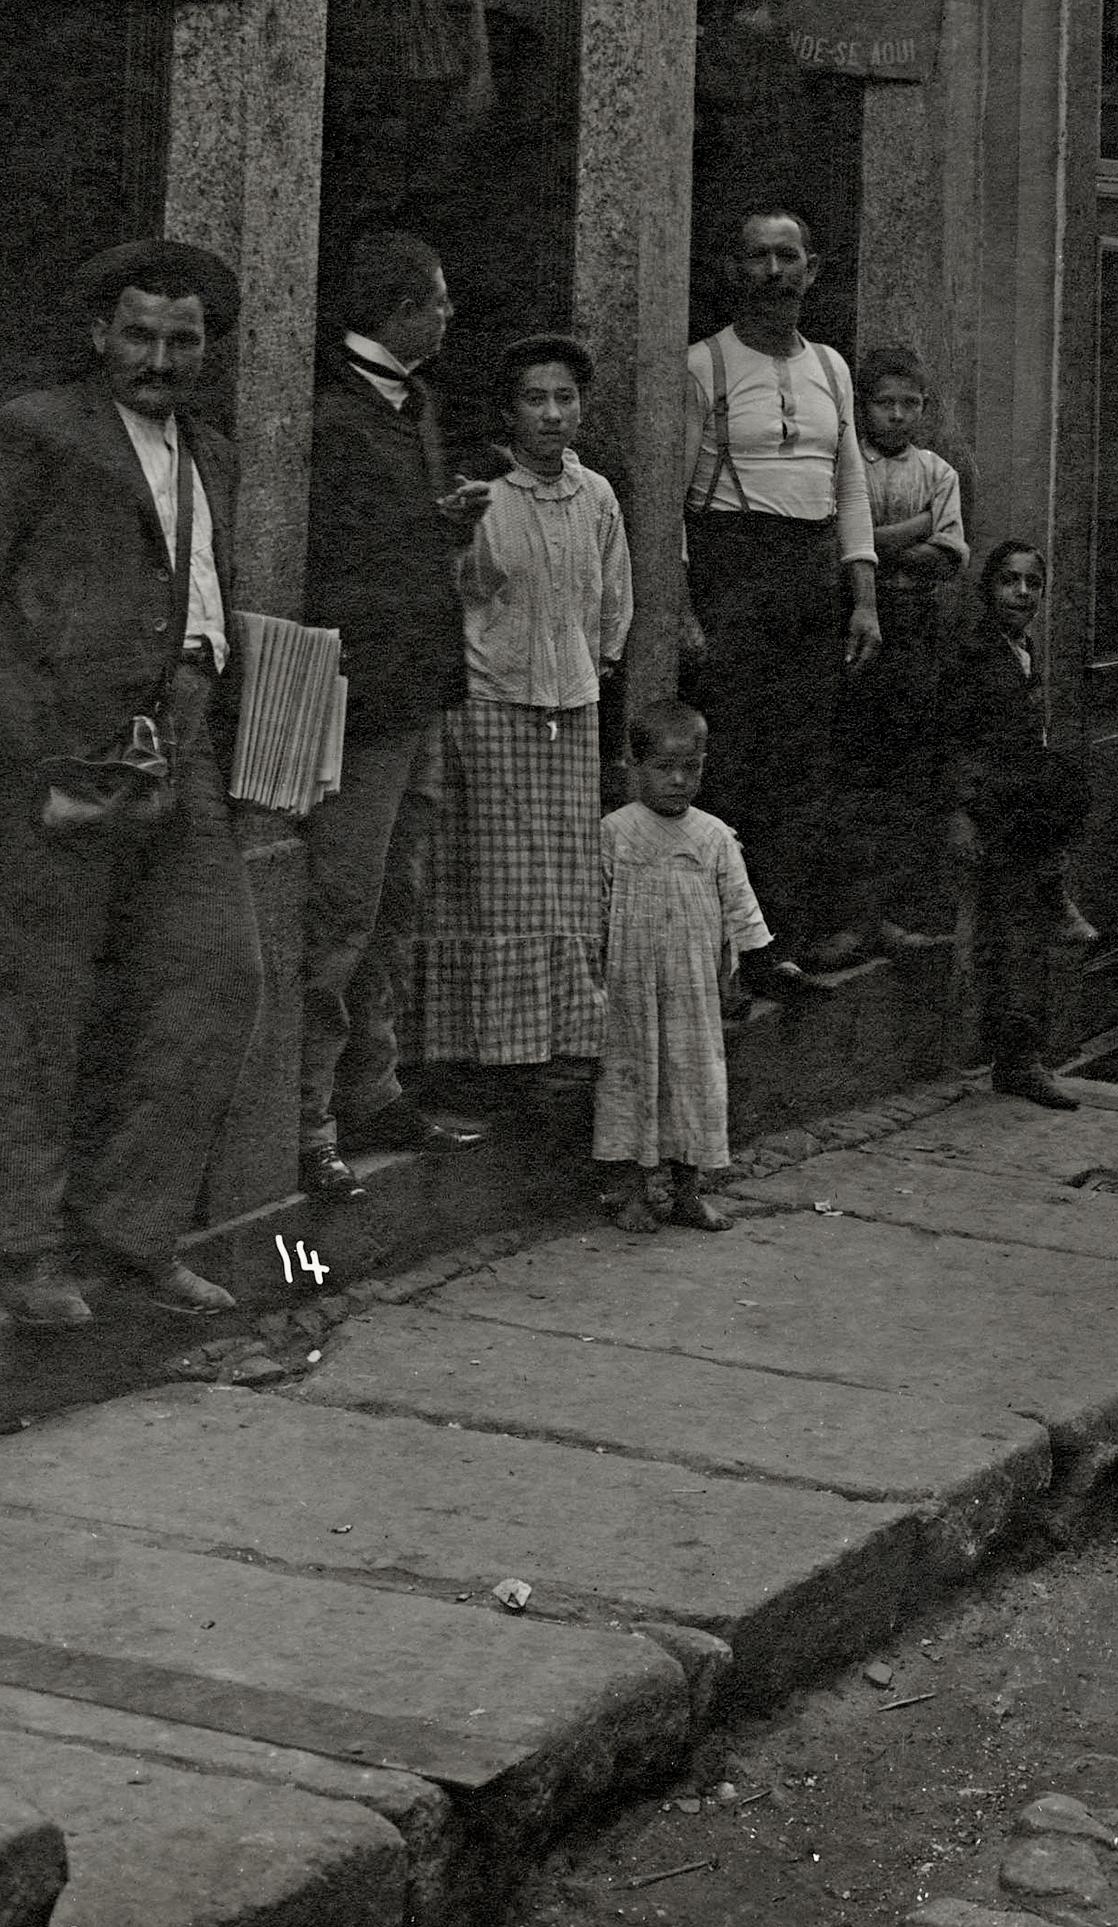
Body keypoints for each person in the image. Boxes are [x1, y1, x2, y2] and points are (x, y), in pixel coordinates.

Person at [0, 236, 258, 1329]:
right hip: (62, 749)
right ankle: (26, 1247)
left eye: (182, 340)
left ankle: (134, 1230)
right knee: (40, 1001)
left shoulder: (212, 450)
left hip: (183, 744)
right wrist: (24, 743)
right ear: (97, 334)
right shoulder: (38, 429)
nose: (159, 360)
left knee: (220, 976)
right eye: (138, 335)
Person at [296, 233, 491, 1200]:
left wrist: (443, 524)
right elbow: (337, 557)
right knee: (341, 909)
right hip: (366, 696)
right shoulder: (334, 415)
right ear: (402, 309)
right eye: (440, 301)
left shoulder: (413, 406)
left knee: (395, 902)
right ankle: (306, 1121)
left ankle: (371, 1089)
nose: (450, 316)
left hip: (418, 690)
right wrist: (430, 525)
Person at [412, 332, 631, 1093]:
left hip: (572, 708)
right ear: (509, 412)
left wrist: (591, 669)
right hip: (492, 703)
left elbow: (613, 601)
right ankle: (489, 1057)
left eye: (565, 398)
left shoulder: (597, 496)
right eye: (535, 400)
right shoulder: (482, 497)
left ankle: (561, 1043)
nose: (552, 414)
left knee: (566, 883)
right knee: (501, 887)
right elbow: (459, 593)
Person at [681, 208, 881, 968]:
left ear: (811, 269)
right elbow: (672, 498)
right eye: (758, 257)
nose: (773, 272)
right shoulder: (705, 364)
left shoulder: (831, 368)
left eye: (787, 257)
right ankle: (730, 950)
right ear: (735, 270)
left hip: (810, 575)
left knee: (805, 760)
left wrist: (863, 597)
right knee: (735, 758)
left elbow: (850, 483)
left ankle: (787, 938)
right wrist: (681, 604)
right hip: (733, 569)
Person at [595, 702, 784, 1231]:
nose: (679, 780)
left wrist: (740, 970)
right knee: (630, 1081)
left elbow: (742, 910)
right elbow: (596, 910)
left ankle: (687, 1193)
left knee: (694, 1083)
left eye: (691, 768)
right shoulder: (614, 832)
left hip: (694, 989)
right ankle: (631, 1193)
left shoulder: (714, 836)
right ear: (634, 766)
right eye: (664, 767)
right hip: (630, 987)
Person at [935, 540, 1099, 1108]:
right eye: (1010, 580)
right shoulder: (972, 656)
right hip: (990, 812)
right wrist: (960, 813)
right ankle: (1017, 1061)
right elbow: (951, 741)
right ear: (989, 588)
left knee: (1024, 935)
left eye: (1033, 584)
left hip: (1018, 812)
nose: (1022, 593)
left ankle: (1021, 1059)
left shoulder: (1022, 649)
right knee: (1012, 937)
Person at [854, 346, 967, 957]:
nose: (897, 415)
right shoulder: (850, 463)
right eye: (884, 403)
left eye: (910, 403)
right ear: (864, 406)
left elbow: (947, 558)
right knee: (859, 762)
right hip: (860, 620)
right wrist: (917, 527)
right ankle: (860, 915)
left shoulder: (937, 472)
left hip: (918, 625)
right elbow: (841, 546)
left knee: (914, 764)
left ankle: (907, 913)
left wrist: (874, 542)